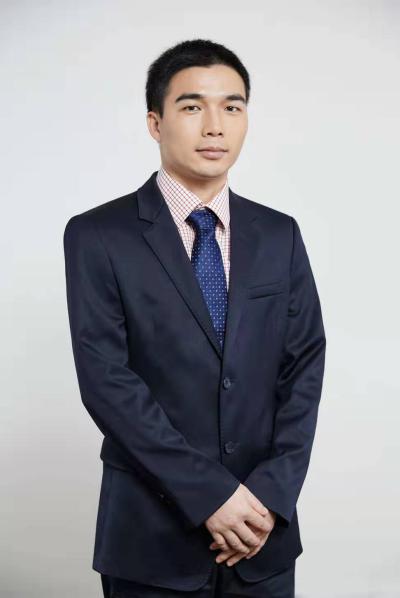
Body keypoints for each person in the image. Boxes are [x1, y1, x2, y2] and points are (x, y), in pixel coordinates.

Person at [63, 38, 326, 598]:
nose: (215, 126)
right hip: (151, 541)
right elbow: (107, 382)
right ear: (155, 123)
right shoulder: (98, 235)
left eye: (232, 106)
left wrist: (268, 498)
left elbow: (304, 368)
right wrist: (211, 496)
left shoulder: (279, 234)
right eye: (192, 106)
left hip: (262, 536)